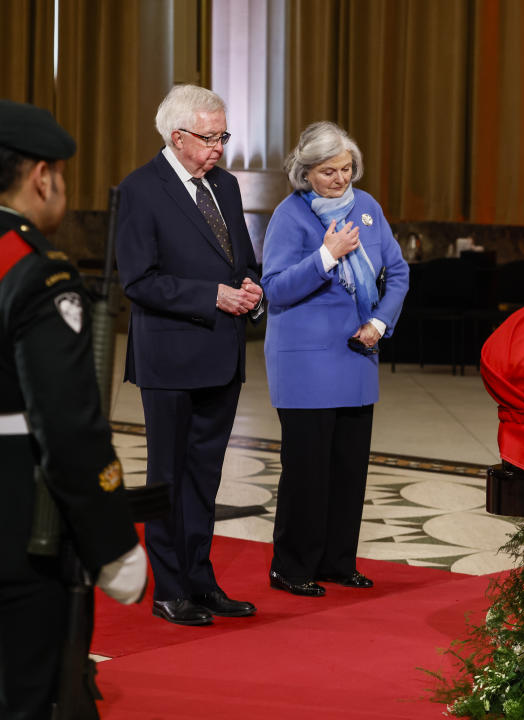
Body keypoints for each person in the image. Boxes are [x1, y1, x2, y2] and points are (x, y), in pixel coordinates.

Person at [0, 100, 146, 718]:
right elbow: (67, 426)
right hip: (14, 531)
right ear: (42, 176)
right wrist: (113, 544)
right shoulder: (36, 273)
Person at [115, 85, 263, 626]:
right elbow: (138, 280)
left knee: (205, 477)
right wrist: (212, 296)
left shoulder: (224, 184)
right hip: (170, 359)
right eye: (210, 136)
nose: (220, 146)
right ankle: (169, 589)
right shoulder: (140, 189)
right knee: (167, 478)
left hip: (222, 355)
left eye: (223, 135)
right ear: (177, 137)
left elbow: (242, 259)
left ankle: (201, 581)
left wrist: (251, 287)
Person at [261, 122, 408, 597]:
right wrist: (325, 256)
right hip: (305, 362)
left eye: (346, 169)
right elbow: (276, 288)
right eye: (328, 171)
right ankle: (291, 565)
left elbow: (399, 272)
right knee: (307, 471)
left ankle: (337, 561)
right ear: (305, 172)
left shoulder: (367, 210)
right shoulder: (290, 215)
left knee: (348, 469)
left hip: (355, 355)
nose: (340, 179)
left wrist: (381, 322)